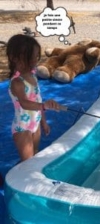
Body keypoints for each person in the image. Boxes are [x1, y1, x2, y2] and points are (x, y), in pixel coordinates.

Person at [6, 34, 63, 162]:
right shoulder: (17, 82)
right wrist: (44, 106)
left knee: (35, 155)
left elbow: (38, 100)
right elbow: (25, 103)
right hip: (22, 128)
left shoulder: (32, 76)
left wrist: (43, 121)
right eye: (30, 58)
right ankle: (16, 179)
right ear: (14, 58)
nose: (34, 61)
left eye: (36, 57)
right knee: (27, 162)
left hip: (35, 124)